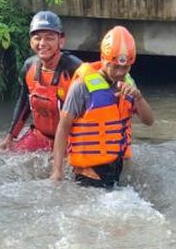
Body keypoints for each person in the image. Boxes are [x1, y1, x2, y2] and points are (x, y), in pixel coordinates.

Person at [50, 26, 155, 188]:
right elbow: (63, 127)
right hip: (89, 171)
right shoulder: (81, 86)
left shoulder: (129, 84)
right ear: (103, 59)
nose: (120, 72)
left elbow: (149, 122)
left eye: (125, 67)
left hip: (118, 166)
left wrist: (138, 97)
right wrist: (57, 170)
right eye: (115, 66)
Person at [0, 11, 84, 152]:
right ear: (31, 41)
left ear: (61, 41)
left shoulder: (75, 69)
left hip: (71, 139)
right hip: (40, 136)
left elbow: (95, 107)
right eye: (37, 38)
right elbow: (24, 104)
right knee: (8, 156)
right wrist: (10, 136)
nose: (42, 43)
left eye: (50, 38)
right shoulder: (28, 67)